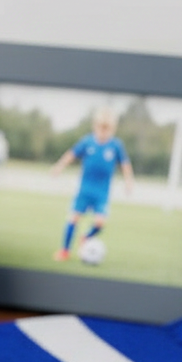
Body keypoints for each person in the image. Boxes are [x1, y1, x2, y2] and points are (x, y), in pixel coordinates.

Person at [50, 108, 134, 260]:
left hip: (102, 192)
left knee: (100, 222)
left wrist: (129, 181)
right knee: (73, 218)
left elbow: (125, 164)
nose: (103, 132)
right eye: (101, 128)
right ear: (95, 126)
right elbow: (71, 154)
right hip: (84, 190)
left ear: (112, 129)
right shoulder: (87, 141)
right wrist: (59, 166)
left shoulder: (116, 145)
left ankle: (86, 237)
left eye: (107, 129)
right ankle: (64, 251)